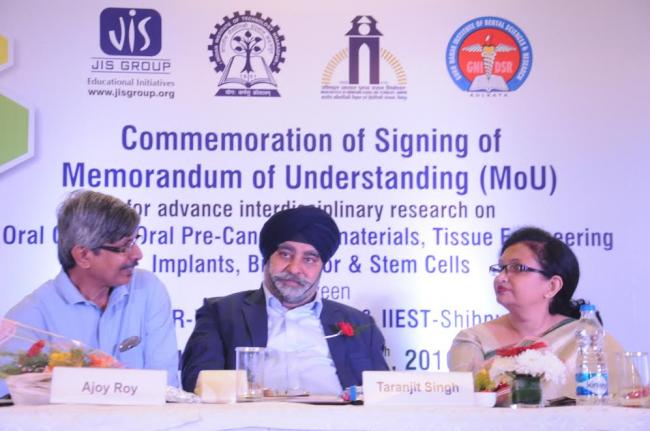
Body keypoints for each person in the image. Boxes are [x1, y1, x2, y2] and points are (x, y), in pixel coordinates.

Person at [181, 206, 389, 394]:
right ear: (267, 258)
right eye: (285, 254)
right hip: (253, 420)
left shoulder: (361, 324)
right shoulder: (220, 314)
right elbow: (198, 385)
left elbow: (383, 395)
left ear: (322, 266)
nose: (295, 269)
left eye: (309, 259)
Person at [3, 190, 179, 387]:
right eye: (125, 246)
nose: (138, 254)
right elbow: (12, 397)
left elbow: (166, 387)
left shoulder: (147, 289)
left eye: (135, 240)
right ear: (83, 255)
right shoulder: (29, 318)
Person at [447, 226, 624, 400]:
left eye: (517, 268)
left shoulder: (588, 337)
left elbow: (628, 401)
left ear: (552, 286)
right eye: (500, 268)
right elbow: (461, 403)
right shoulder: (474, 340)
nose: (500, 277)